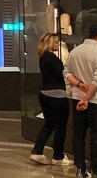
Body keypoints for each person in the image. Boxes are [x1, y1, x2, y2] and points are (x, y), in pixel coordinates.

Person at [63, 24, 97, 178]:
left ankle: (80, 169)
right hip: (96, 101)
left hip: (77, 98)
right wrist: (87, 98)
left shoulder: (75, 51)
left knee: (78, 135)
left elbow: (66, 72)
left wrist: (79, 85)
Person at [30, 33, 73, 165]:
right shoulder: (51, 57)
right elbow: (62, 72)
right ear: (50, 43)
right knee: (60, 126)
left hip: (45, 93)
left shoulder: (43, 57)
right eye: (56, 42)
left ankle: (37, 151)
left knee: (49, 124)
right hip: (56, 94)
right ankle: (58, 156)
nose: (58, 45)